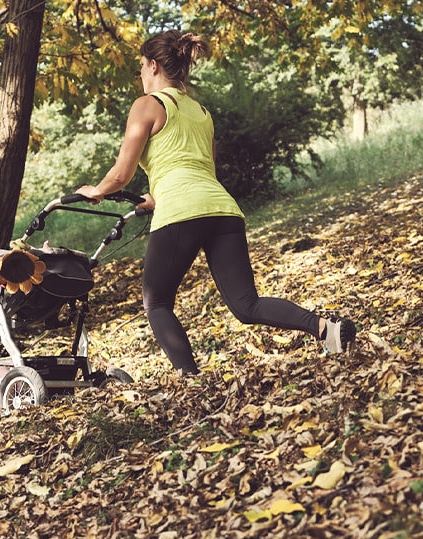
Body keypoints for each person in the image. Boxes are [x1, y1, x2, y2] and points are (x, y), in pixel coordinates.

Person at [76, 30, 356, 376]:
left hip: (182, 211)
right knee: (246, 304)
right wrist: (156, 196)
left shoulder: (147, 105)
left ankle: (190, 379)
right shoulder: (201, 112)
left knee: (158, 301)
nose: (141, 76)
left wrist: (96, 190)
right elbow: (197, 167)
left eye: (140, 69)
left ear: (151, 65)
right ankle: (325, 329)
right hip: (222, 209)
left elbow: (120, 174)